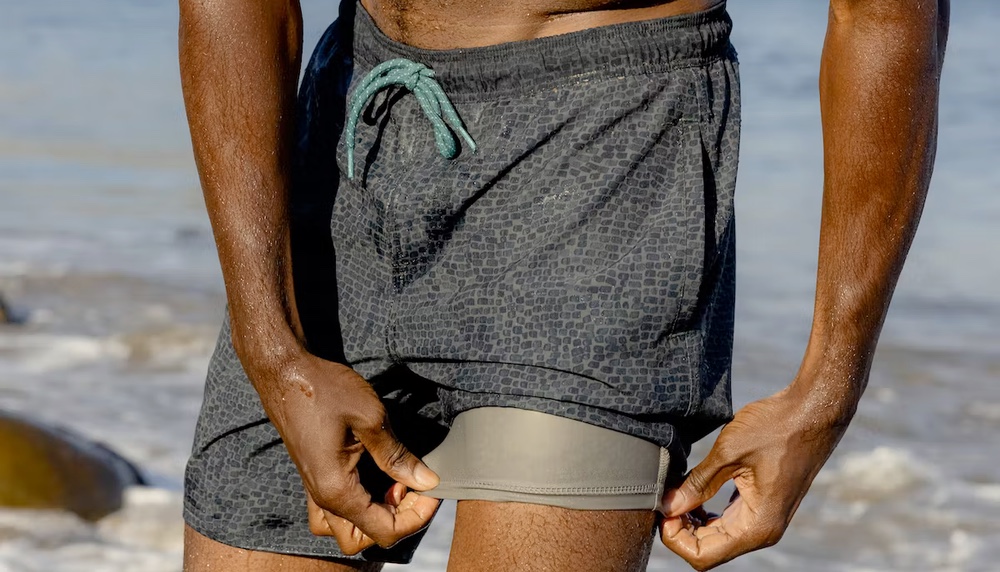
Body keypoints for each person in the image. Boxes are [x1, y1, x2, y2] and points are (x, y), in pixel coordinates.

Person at [177, 0, 949, 570]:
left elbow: (885, 11)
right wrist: (272, 347)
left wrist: (827, 389)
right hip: (355, 123)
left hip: (606, 154)